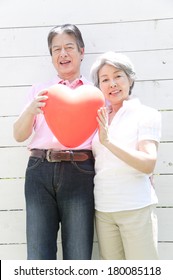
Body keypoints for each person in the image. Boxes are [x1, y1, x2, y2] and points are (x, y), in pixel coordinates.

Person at [13, 24, 95, 260]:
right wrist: (30, 110)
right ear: (51, 57)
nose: (63, 54)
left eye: (69, 47)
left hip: (80, 171)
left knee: (78, 255)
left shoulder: (95, 94)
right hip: (39, 170)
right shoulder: (40, 91)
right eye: (56, 49)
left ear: (82, 51)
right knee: (38, 255)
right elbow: (18, 135)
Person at [90, 51, 161, 260]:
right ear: (99, 87)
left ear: (130, 79)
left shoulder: (146, 114)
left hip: (135, 208)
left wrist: (109, 142)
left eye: (118, 76)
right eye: (105, 79)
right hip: (103, 209)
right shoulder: (98, 117)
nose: (112, 83)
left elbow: (148, 164)